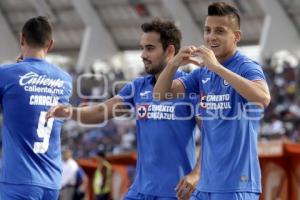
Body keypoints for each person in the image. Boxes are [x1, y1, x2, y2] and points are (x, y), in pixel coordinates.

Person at [46, 18, 200, 199]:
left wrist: (196, 174)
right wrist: (70, 111)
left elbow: (211, 137)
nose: (143, 54)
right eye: (142, 48)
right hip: (139, 192)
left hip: (176, 193)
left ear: (170, 51)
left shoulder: (189, 87)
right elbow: (100, 111)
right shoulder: (138, 87)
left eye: (150, 48)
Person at [153, 2, 271, 200]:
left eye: (219, 31)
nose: (211, 37)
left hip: (236, 184)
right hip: (206, 183)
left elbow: (263, 97)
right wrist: (173, 64)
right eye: (207, 30)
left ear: (236, 37)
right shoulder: (202, 73)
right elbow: (160, 94)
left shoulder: (246, 66)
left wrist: (217, 68)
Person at [0, 16, 72, 199]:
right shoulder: (65, 80)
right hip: (52, 182)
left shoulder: (6, 74)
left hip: (18, 180)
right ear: (51, 44)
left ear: (21, 38)